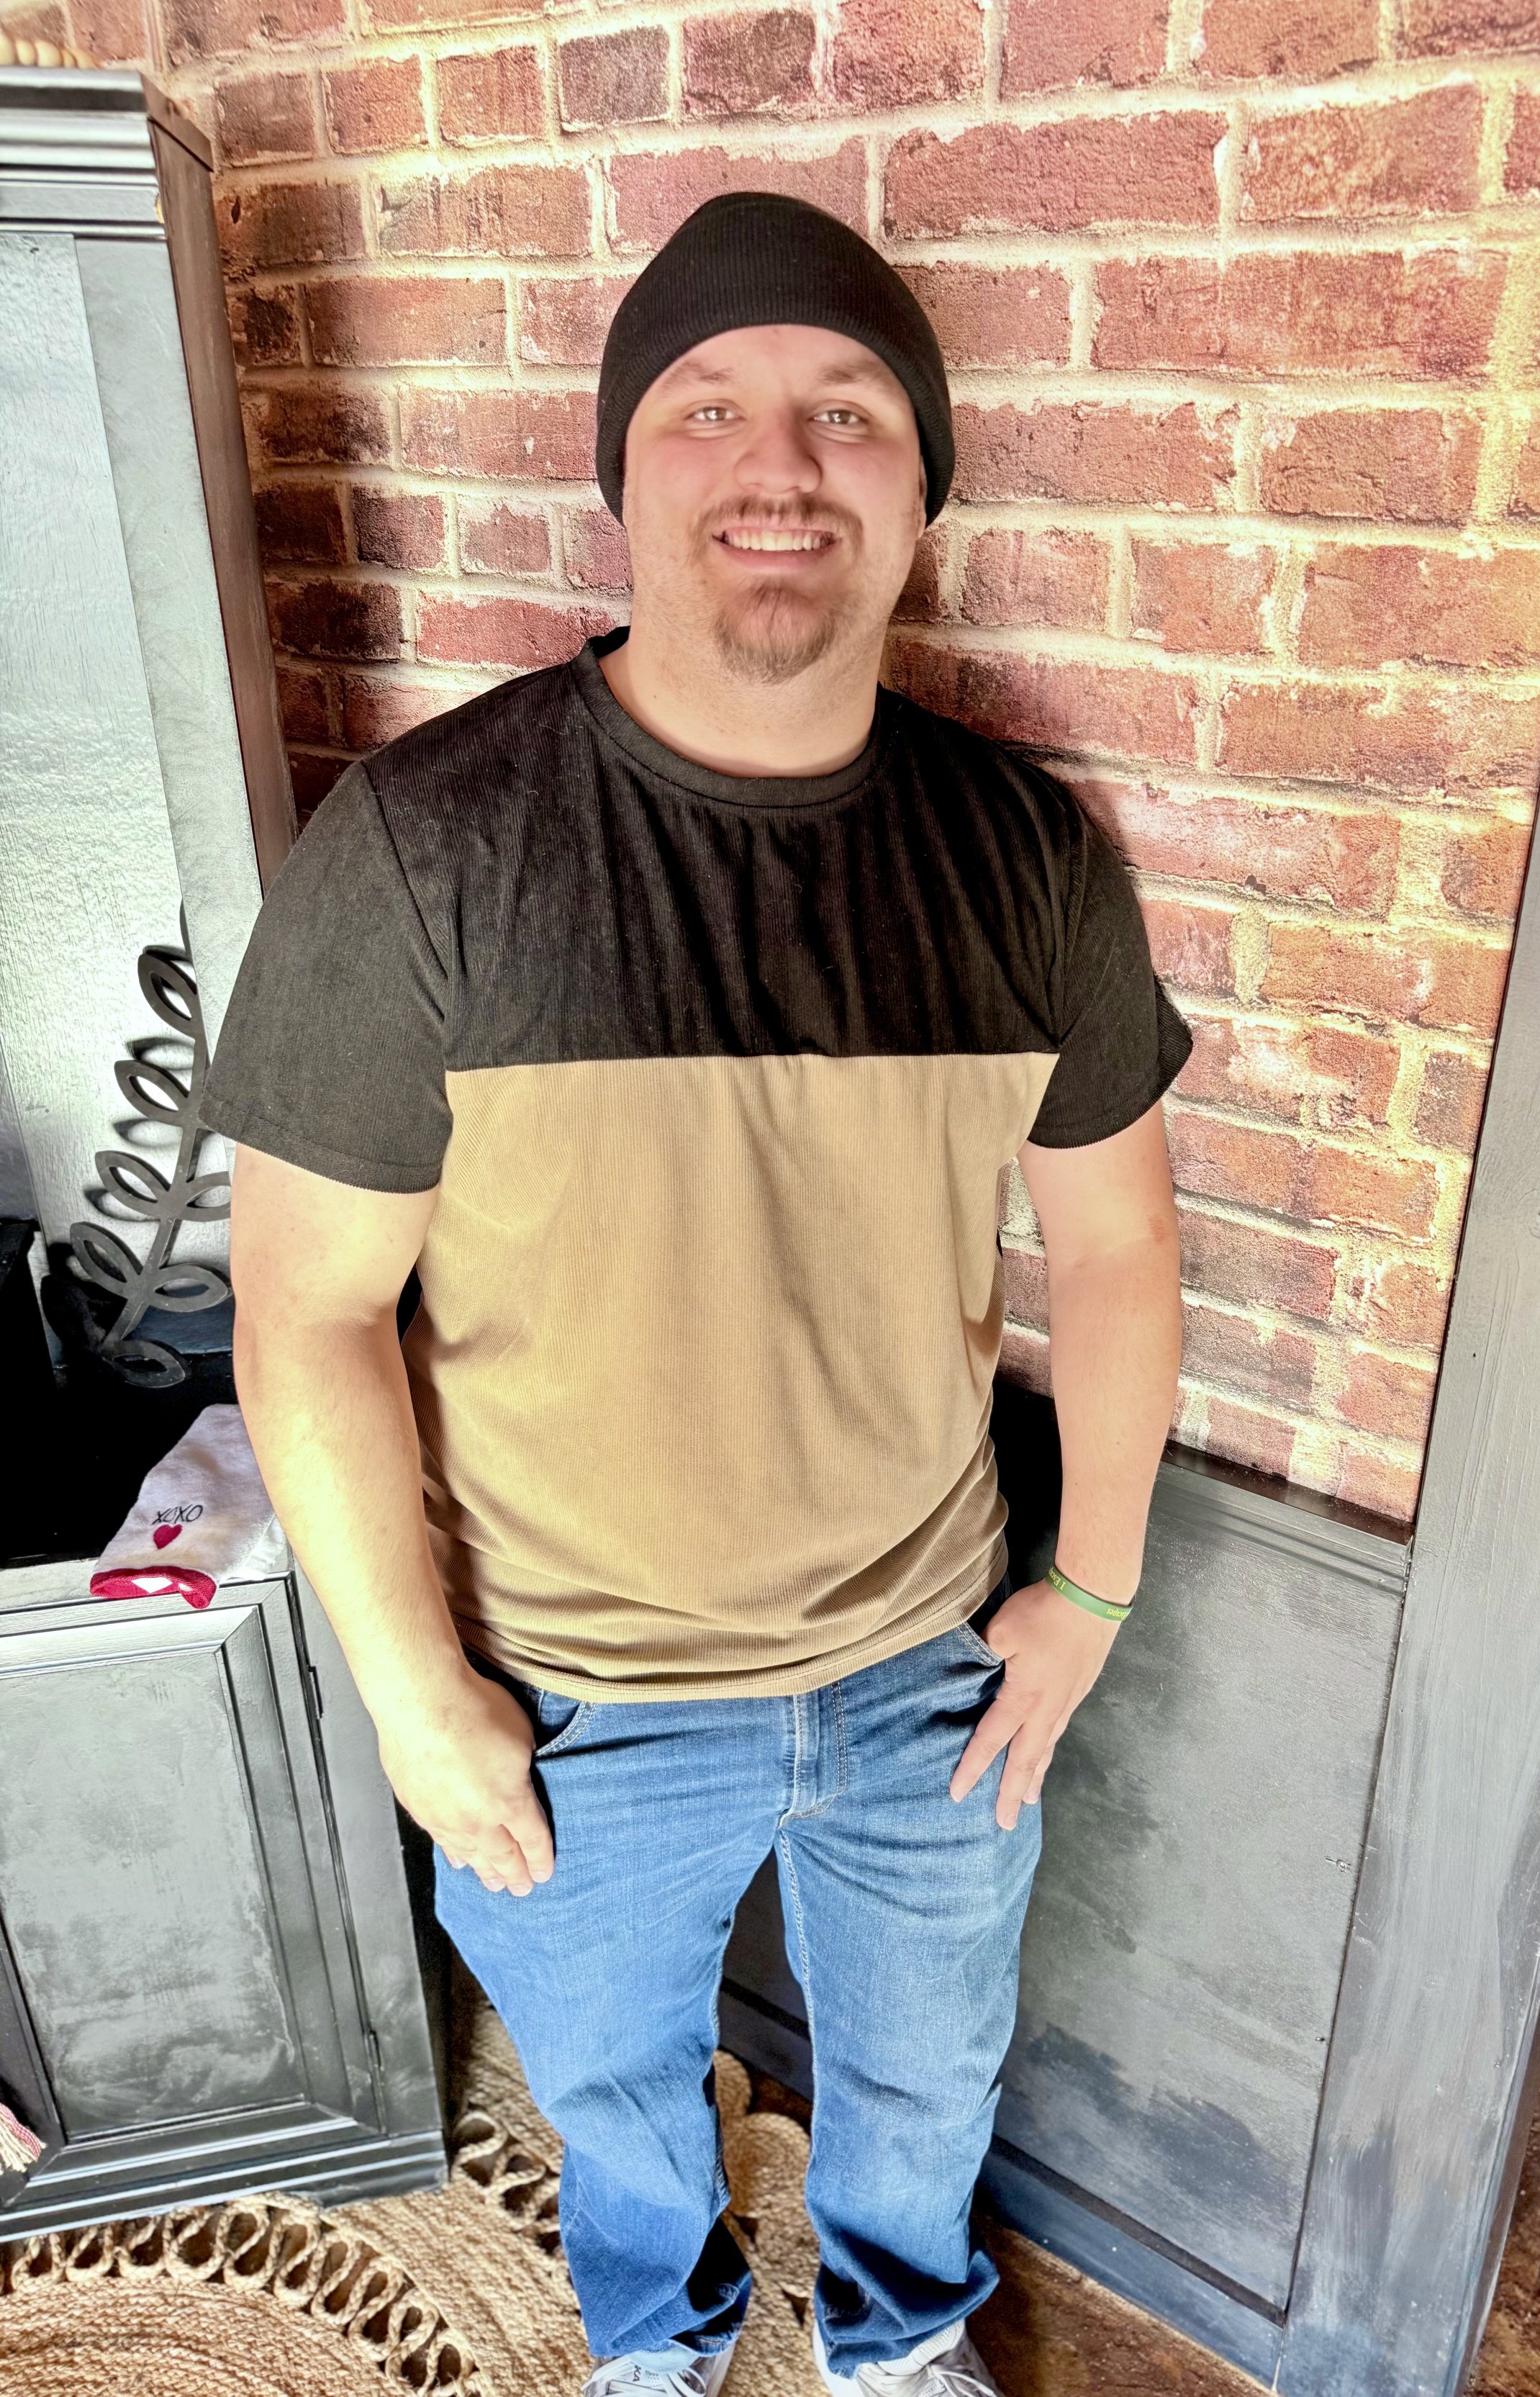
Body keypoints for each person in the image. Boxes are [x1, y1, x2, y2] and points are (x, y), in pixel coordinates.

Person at [207, 192, 1189, 2397]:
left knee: (927, 2089)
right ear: (623, 471)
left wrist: (1093, 1588)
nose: (781, 461)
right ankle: (654, 2343)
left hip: (923, 1674)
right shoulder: (428, 850)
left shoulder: (1022, 853)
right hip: (571, 1701)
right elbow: (309, 1315)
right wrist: (412, 1694)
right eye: (709, 405)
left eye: (850, 413)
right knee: (623, 2096)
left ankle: (895, 2337)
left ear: (921, 486)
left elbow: (1116, 1246)